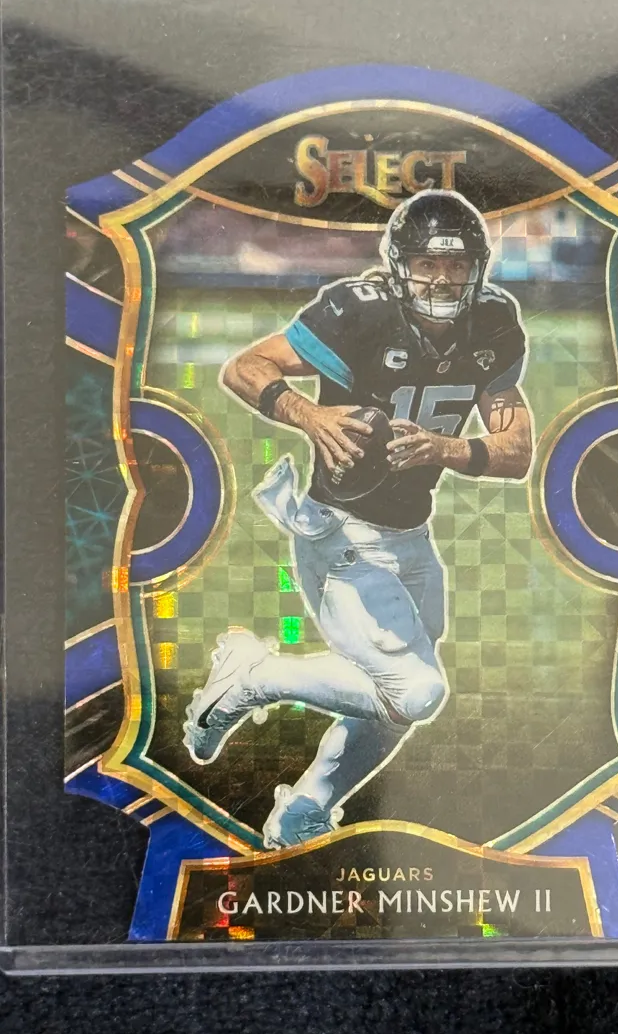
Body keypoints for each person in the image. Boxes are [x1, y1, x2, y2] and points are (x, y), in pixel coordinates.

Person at [182, 189, 534, 849]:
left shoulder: (491, 321)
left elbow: (517, 451)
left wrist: (447, 449)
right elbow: (245, 367)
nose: (442, 279)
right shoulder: (360, 311)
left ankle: (305, 808)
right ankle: (253, 678)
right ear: (400, 266)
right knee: (417, 691)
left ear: (477, 268)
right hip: (340, 531)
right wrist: (308, 415)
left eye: (456, 265)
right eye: (427, 264)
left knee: (395, 704)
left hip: (412, 536)